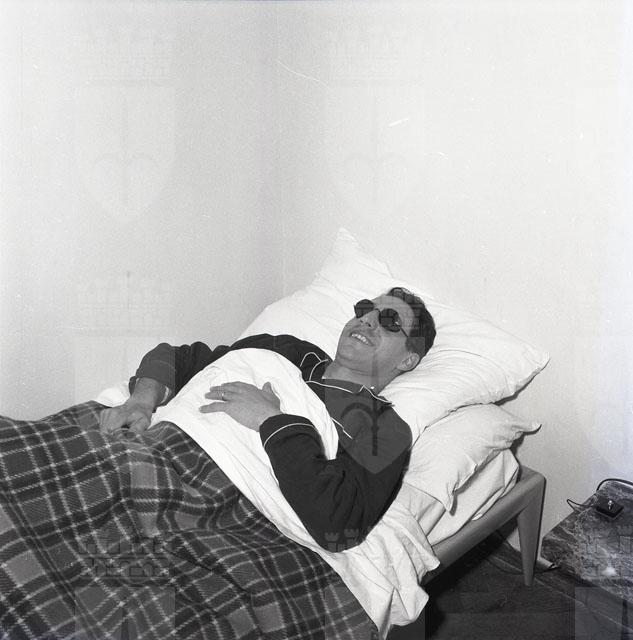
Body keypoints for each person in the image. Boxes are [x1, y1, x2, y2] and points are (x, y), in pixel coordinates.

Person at [100, 286, 436, 550]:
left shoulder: (384, 429)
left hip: (217, 507)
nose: (367, 320)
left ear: (408, 360)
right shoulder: (287, 350)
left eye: (390, 321)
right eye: (364, 310)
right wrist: (141, 400)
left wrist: (270, 420)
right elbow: (184, 359)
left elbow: (338, 521)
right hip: (147, 449)